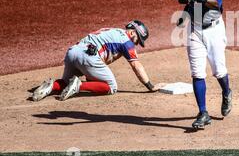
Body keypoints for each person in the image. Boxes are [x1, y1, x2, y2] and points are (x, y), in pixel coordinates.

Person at [32, 20, 164, 101]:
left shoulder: (111, 30)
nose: (136, 43)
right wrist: (150, 86)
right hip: (89, 57)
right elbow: (136, 65)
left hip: (73, 51)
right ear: (133, 33)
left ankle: (51, 86)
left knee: (66, 83)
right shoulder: (126, 41)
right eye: (138, 40)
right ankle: (79, 85)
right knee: (111, 87)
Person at [171, 0, 232, 129]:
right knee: (197, 72)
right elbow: (190, 3)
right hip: (195, 30)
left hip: (214, 30)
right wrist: (184, 16)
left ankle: (226, 92)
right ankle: (203, 113)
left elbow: (216, 2)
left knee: (219, 71)